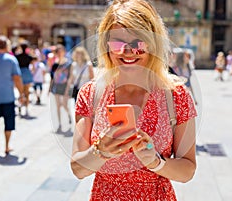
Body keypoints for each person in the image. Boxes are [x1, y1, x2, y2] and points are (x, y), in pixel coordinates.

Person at [70, 0, 197, 200]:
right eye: (118, 43)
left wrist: (156, 162)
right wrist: (100, 152)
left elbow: (188, 169)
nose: (128, 51)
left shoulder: (176, 95)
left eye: (138, 43)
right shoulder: (90, 94)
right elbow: (78, 168)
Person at [49, 44, 73, 132]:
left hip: (65, 86)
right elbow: (52, 78)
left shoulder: (68, 63)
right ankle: (59, 124)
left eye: (60, 51)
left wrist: (68, 88)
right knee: (58, 105)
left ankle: (69, 115)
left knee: (64, 104)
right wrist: (49, 88)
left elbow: (70, 77)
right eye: (57, 52)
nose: (59, 53)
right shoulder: (54, 65)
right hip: (56, 86)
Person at [15, 41, 34, 116]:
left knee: (20, 92)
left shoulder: (17, 56)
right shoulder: (29, 56)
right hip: (27, 72)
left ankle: (20, 105)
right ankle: (26, 108)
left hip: (19, 73)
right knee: (27, 92)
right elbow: (33, 64)